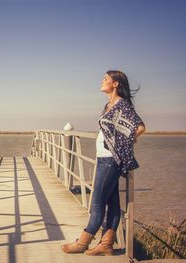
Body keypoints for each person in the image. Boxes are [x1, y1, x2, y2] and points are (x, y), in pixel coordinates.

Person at [61, 70, 146, 256]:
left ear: (115, 84)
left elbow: (139, 127)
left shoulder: (122, 105)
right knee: (112, 202)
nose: (102, 81)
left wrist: (124, 143)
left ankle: (83, 242)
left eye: (106, 79)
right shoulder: (108, 104)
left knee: (97, 204)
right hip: (103, 157)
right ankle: (106, 244)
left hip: (110, 159)